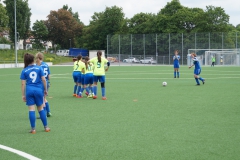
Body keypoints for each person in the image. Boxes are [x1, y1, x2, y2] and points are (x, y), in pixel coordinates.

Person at [20, 53, 50, 134]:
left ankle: (33, 129)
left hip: (29, 91)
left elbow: (23, 84)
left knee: (31, 109)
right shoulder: (39, 68)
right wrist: (45, 89)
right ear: (33, 59)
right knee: (40, 109)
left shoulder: (24, 70)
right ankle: (46, 127)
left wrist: (23, 95)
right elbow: (44, 80)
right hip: (38, 90)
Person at [35, 52, 52, 117]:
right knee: (44, 98)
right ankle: (48, 111)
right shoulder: (46, 65)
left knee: (41, 99)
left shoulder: (37, 66)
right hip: (47, 82)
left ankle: (43, 113)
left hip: (41, 83)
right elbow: (49, 76)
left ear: (37, 58)